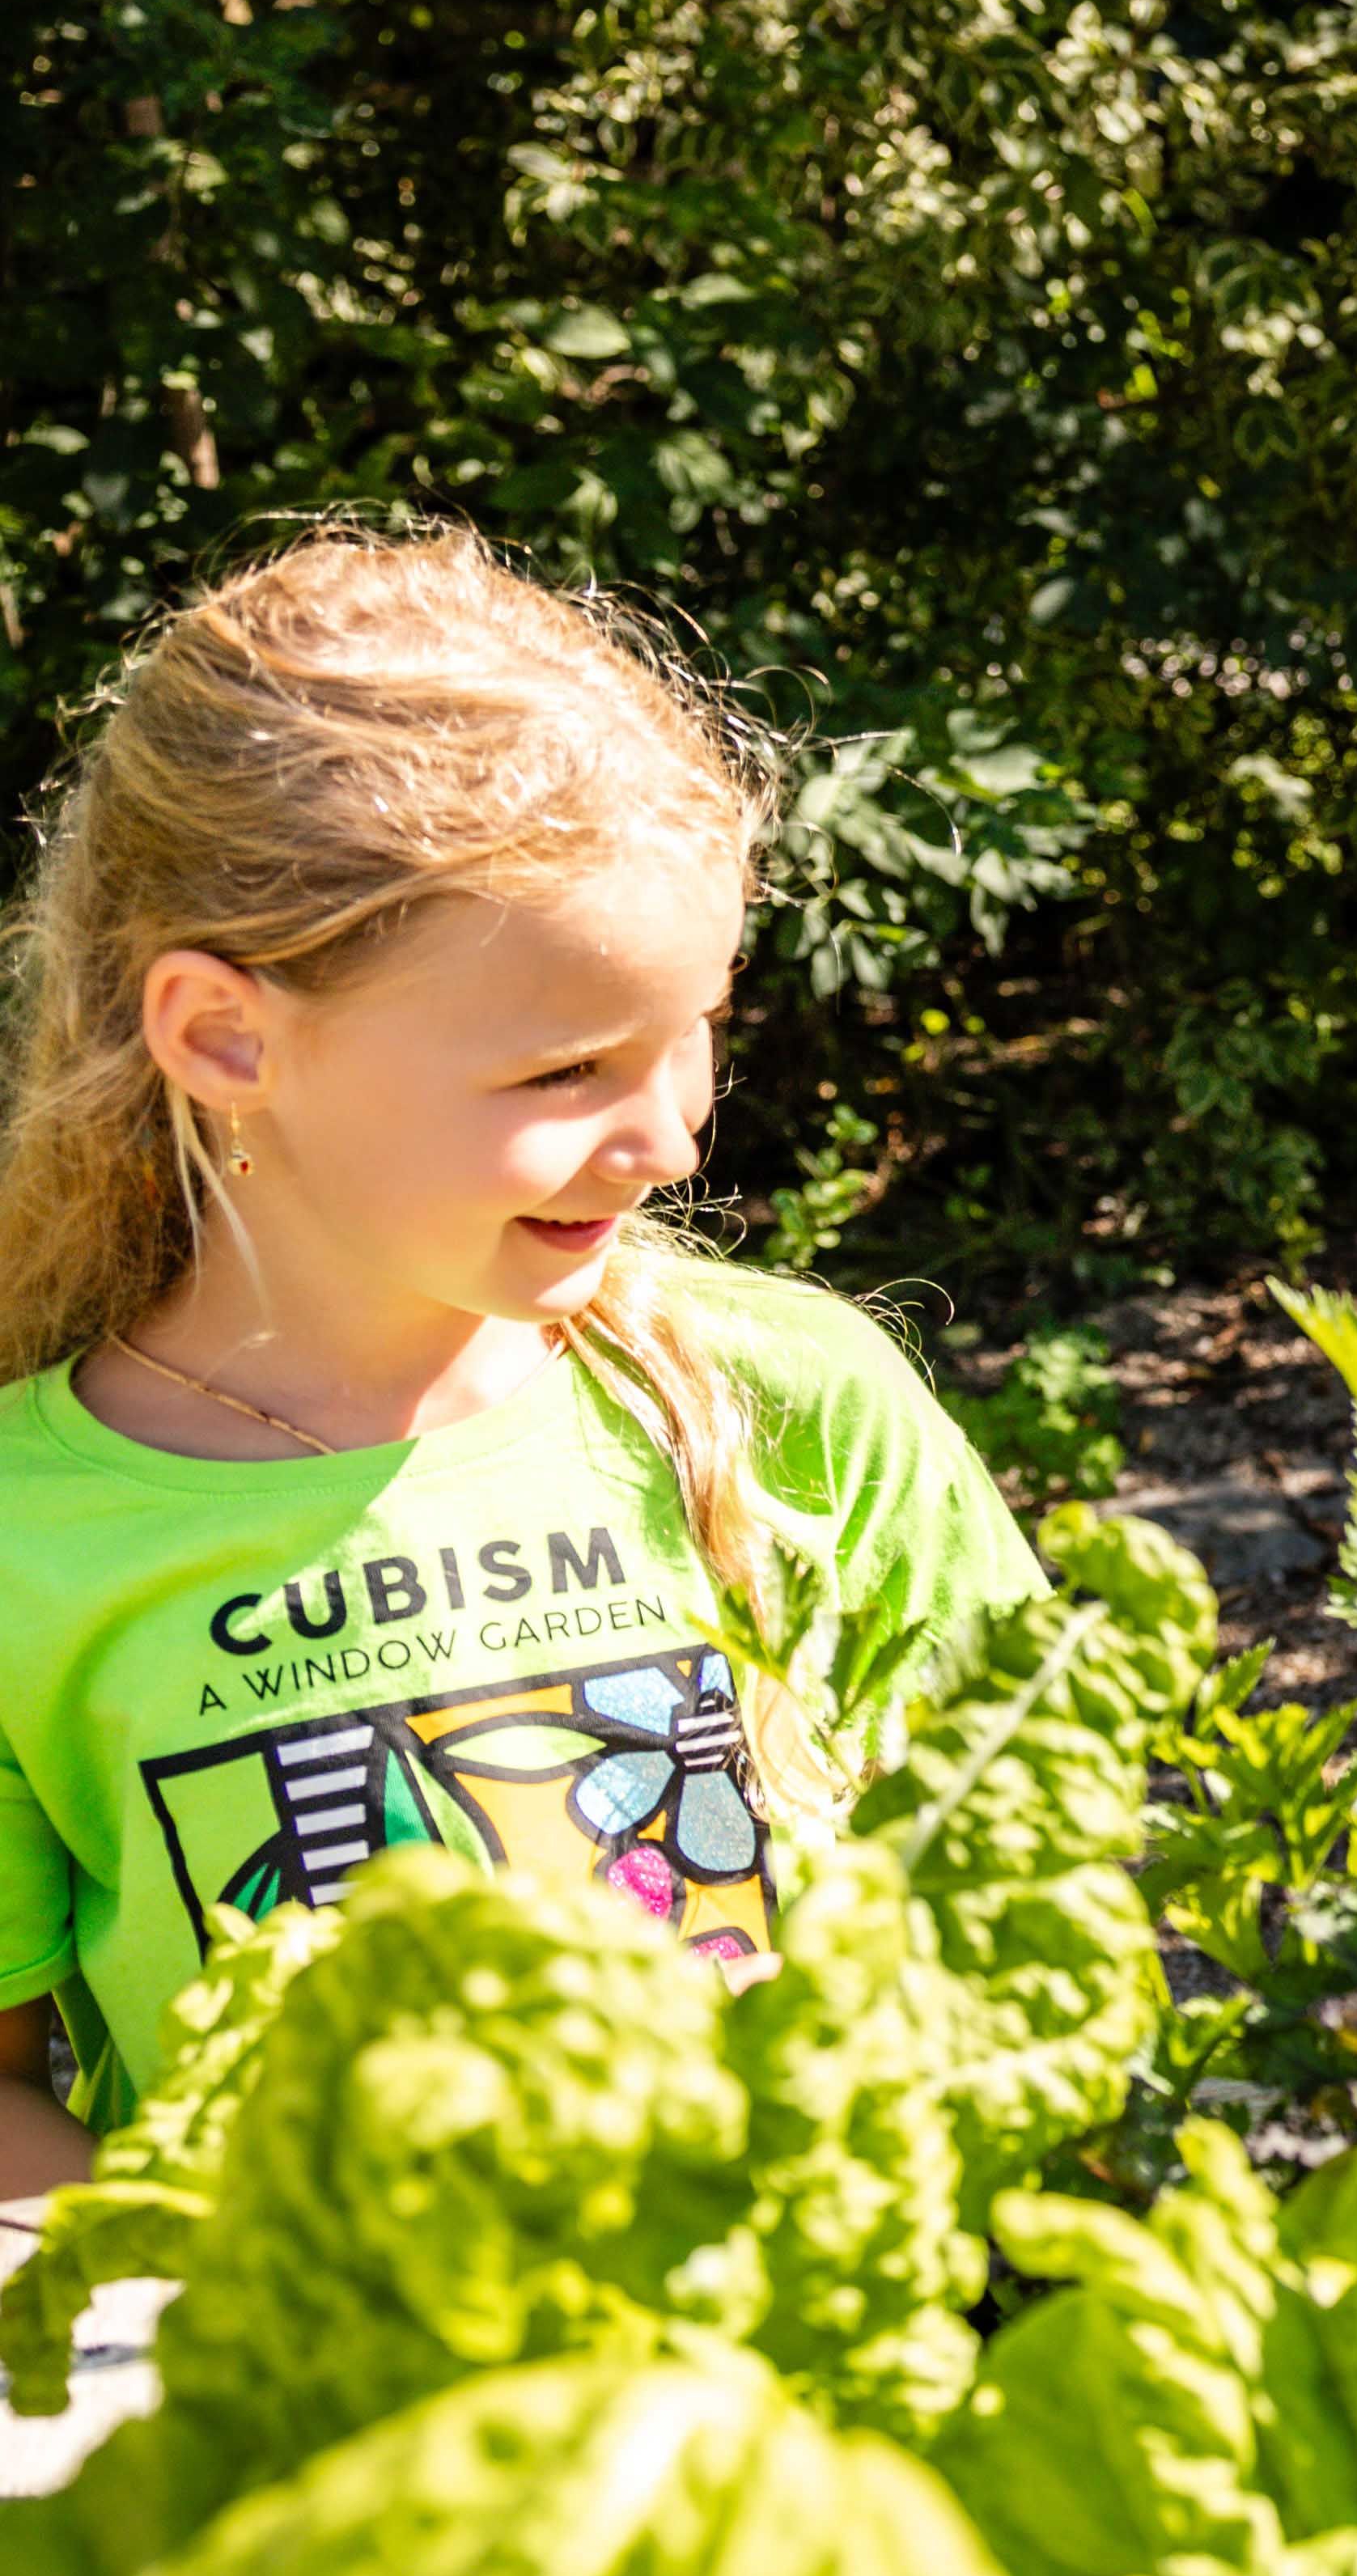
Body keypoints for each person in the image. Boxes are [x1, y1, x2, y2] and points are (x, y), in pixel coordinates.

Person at [0, 529, 1042, 2192]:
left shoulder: (804, 1408)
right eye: (566, 1070)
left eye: (695, 1032)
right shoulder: (22, 1542)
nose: (671, 1140)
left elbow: (1038, 1913)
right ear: (223, 1037)